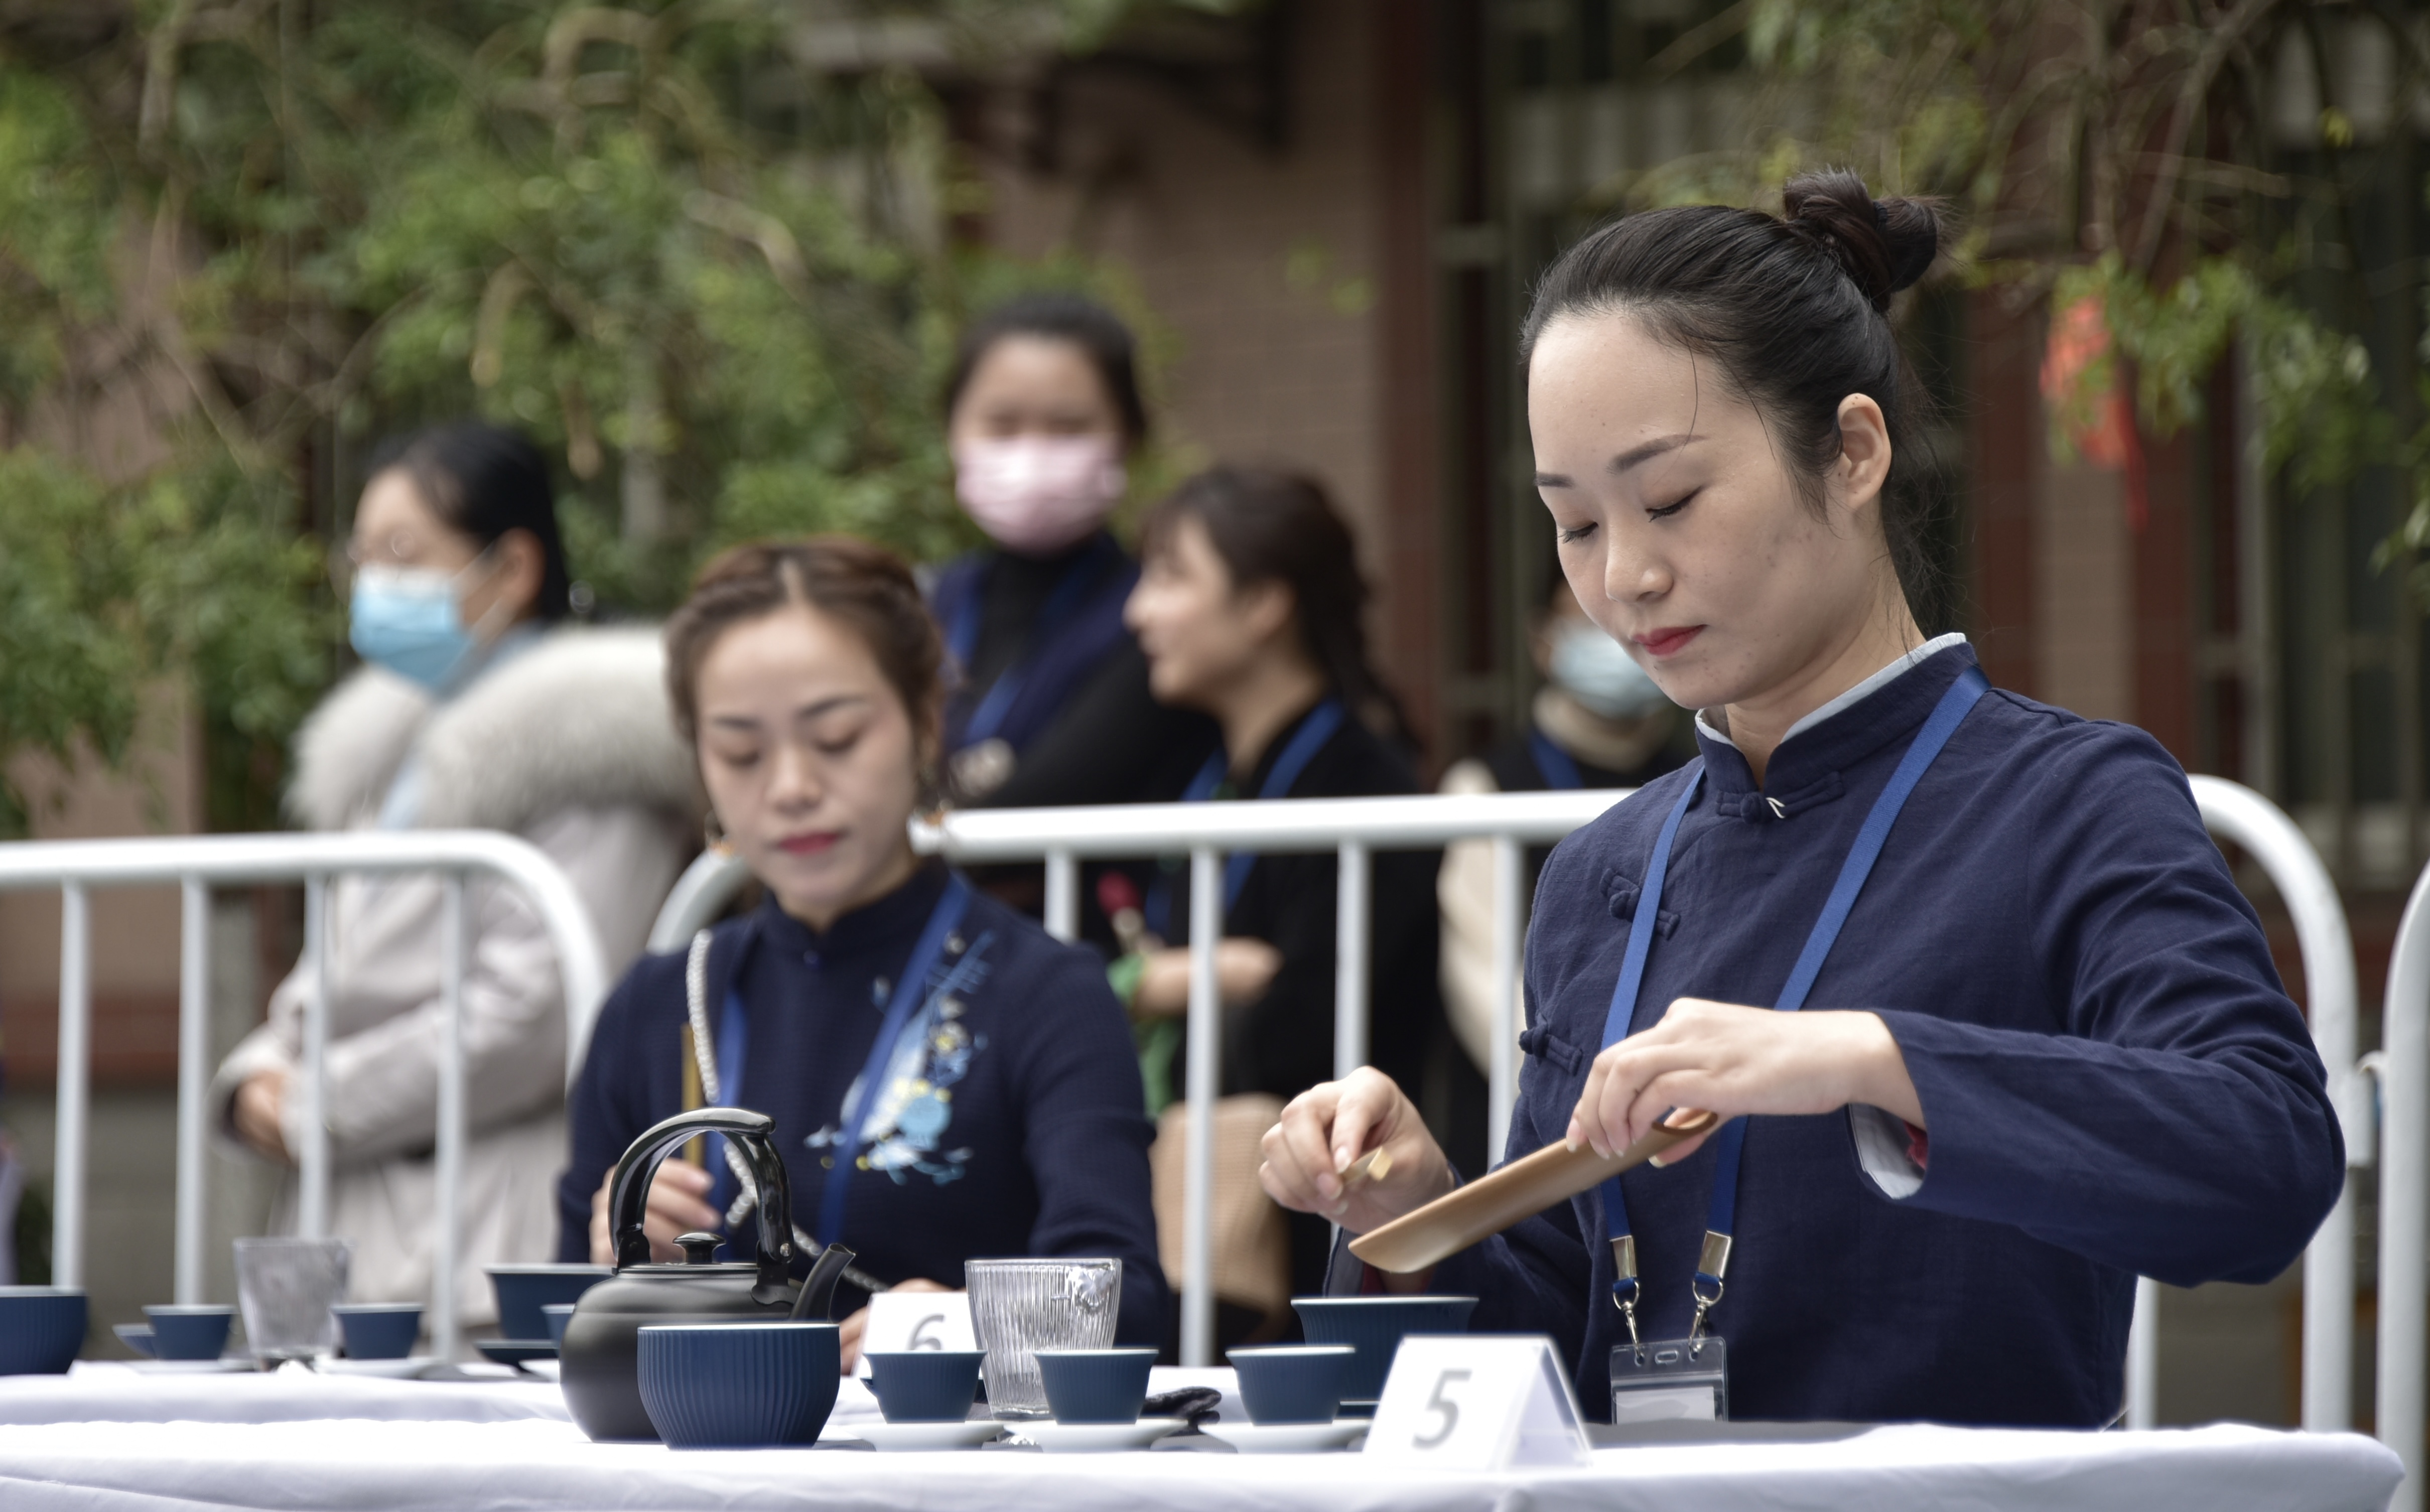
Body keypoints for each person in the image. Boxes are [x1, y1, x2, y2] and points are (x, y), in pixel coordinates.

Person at [1257, 171, 2343, 1426]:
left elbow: (2263, 1157)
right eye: (1571, 524)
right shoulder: (1600, 871)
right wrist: (1420, 1207)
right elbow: (1563, 1341)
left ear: (1853, 451)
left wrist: (1863, 1057)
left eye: (1666, 499)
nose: (1625, 575)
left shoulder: (2067, 801)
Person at [556, 537, 1167, 1364]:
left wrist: (956, 1327)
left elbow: (1123, 1299)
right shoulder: (657, 1003)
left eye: (837, 737)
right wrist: (614, 1262)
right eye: (740, 750)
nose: (791, 786)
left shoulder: (1045, 992)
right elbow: (557, 1318)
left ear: (923, 720)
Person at [213, 421, 697, 1333]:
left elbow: (534, 1010)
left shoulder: (596, 750)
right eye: (362, 556)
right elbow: (333, 976)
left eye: (404, 554)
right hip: (350, 1233)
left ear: (510, 568)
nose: (374, 584)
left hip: (483, 1230)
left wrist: (313, 1103)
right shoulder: (397, 750)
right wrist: (253, 1078)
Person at [1122, 465, 1470, 1301]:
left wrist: (1186, 986)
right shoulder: (1212, 775)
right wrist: (1202, 974)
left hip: (1333, 1220)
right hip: (1228, 1203)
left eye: (1172, 575)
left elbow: (1304, 1026)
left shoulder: (1364, 782)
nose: (1138, 610)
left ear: (1264, 604)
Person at [928, 293, 1218, 812]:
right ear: (952, 430)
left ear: (1130, 435)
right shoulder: (926, 601)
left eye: (1069, 426)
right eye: (1003, 424)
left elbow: (1055, 792)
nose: (1032, 453)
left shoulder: (1156, 614)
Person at [1437, 577, 1688, 1083]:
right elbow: (1486, 992)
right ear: (1543, 642)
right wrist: (1572, 1088)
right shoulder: (1485, 786)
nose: (1618, 636)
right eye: (1592, 621)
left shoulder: (1703, 778)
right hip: (1539, 1110)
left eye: (1637, 616)